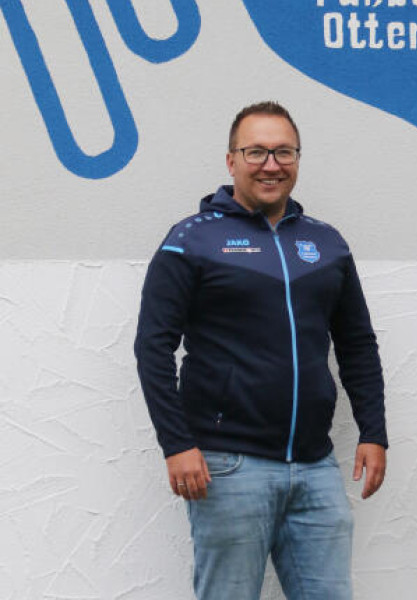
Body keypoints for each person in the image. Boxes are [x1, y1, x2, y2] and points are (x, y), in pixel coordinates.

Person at [134, 101, 387, 600]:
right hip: (228, 466)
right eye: (256, 152)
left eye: (283, 152)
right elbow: (152, 347)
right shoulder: (192, 241)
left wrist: (374, 431)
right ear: (231, 162)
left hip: (315, 469)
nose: (271, 164)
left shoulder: (326, 243)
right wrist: (177, 444)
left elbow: (357, 343)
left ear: (297, 158)